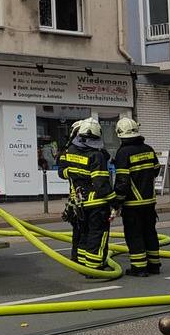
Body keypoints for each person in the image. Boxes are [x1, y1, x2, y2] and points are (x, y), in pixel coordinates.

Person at [57, 117, 115, 271]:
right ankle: (95, 267)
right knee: (97, 235)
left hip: (79, 202)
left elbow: (64, 172)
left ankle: (82, 262)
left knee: (84, 234)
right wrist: (114, 201)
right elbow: (101, 183)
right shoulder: (95, 156)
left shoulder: (70, 152)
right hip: (96, 203)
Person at [112, 117, 161, 277]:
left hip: (132, 203)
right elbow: (156, 170)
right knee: (150, 232)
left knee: (134, 234)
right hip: (149, 200)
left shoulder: (123, 153)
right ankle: (154, 265)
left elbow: (122, 181)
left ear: (120, 133)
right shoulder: (148, 148)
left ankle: (139, 267)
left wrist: (116, 202)